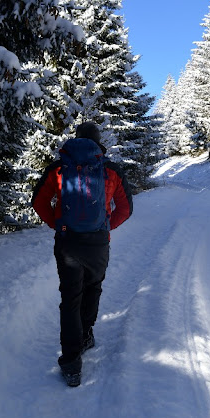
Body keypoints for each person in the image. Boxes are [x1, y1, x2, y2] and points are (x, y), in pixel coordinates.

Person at [32, 122, 133, 387]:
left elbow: (39, 201)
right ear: (99, 143)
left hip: (67, 242)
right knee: (93, 287)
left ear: (76, 139)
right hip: (98, 242)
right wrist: (105, 227)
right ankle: (86, 333)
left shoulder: (59, 168)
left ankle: (71, 363)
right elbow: (125, 208)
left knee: (70, 298)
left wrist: (57, 224)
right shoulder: (110, 170)